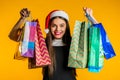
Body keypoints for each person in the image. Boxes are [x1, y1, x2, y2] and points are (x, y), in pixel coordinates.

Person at [9, 7, 99, 80]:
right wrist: (22, 19)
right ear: (49, 27)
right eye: (54, 26)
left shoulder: (74, 43)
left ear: (66, 27)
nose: (58, 29)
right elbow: (13, 36)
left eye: (62, 25)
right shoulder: (42, 44)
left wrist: (91, 18)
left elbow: (98, 39)